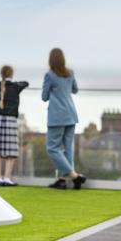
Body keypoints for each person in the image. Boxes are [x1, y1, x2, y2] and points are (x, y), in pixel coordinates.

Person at [43, 48, 86, 190]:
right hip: (71, 114)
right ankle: (62, 180)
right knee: (68, 148)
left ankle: (74, 176)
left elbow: (44, 97)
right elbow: (75, 90)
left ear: (51, 60)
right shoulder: (70, 72)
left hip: (57, 116)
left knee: (52, 148)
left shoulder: (49, 75)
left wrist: (53, 91)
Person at [0, 66, 29, 186]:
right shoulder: (16, 86)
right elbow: (26, 83)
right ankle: (7, 178)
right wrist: (13, 82)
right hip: (10, 120)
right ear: (11, 74)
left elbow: (2, 87)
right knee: (11, 151)